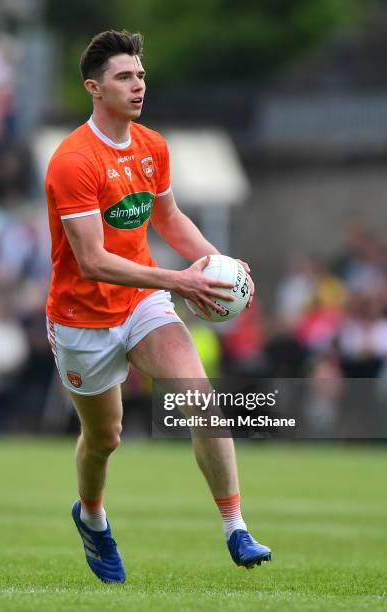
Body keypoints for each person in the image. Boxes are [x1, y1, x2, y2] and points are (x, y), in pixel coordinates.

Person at [45, 30, 271, 584]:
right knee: (105, 439)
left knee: (199, 398)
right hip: (81, 318)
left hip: (143, 302)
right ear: (94, 88)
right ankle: (92, 516)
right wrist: (179, 278)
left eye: (141, 75)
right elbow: (94, 261)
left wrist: (222, 269)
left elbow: (168, 219)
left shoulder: (152, 146)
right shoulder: (73, 161)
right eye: (125, 76)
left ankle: (235, 526)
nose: (138, 84)